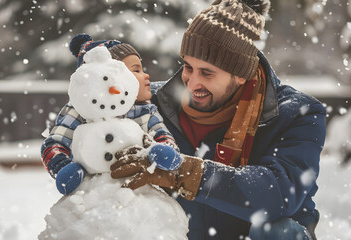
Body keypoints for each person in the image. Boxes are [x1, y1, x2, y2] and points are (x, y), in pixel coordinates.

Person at [110, 0, 326, 239]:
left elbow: (278, 196)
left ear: (241, 74)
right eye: (188, 67)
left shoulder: (296, 113)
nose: (192, 84)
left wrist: (185, 173)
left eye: (207, 73)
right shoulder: (151, 107)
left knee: (279, 231)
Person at [41, 34, 177, 193]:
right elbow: (55, 143)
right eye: (136, 70)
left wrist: (162, 152)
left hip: (137, 191)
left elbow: (162, 136)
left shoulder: (145, 111)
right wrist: (63, 166)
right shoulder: (80, 111)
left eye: (142, 69)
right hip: (92, 191)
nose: (146, 75)